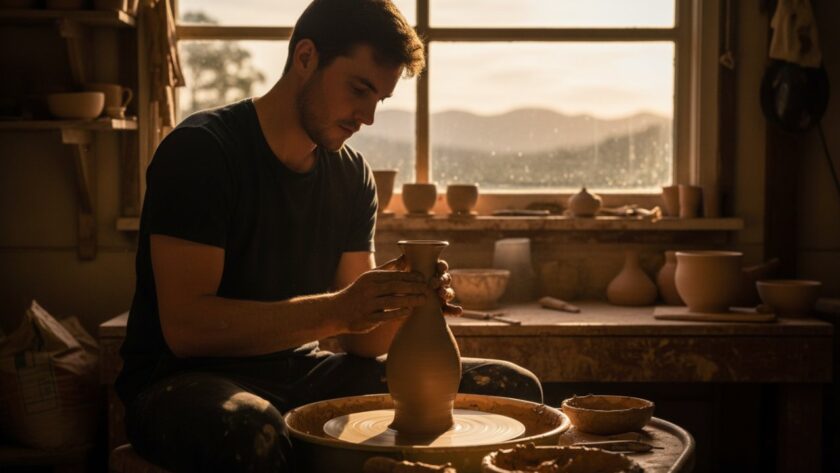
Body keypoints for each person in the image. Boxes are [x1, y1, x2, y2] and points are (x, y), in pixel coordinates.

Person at [115, 0, 543, 471]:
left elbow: (363, 342)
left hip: (301, 372)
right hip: (186, 381)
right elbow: (188, 330)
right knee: (251, 430)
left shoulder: (351, 176)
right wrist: (340, 310)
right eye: (359, 89)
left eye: (379, 98)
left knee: (510, 390)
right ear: (305, 58)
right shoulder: (202, 151)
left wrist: (405, 299)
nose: (368, 116)